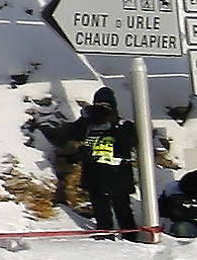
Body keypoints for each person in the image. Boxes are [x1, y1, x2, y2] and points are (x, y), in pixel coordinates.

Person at [57, 89, 142, 236]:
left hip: (118, 173)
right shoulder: (89, 124)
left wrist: (113, 124)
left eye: (105, 106)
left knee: (123, 209)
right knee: (101, 210)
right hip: (95, 173)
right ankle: (104, 235)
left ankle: (131, 236)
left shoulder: (123, 124)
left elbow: (130, 142)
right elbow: (72, 135)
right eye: (98, 105)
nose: (101, 109)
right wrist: (85, 119)